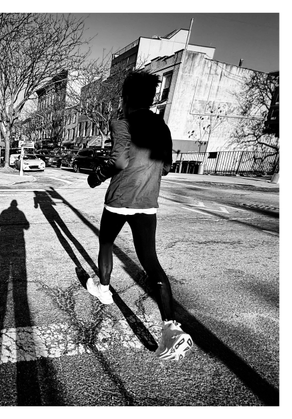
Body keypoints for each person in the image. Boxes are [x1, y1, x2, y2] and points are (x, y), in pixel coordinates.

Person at [86, 70, 193, 361]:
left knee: (106, 243)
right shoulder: (162, 127)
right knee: (151, 261)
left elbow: (118, 160)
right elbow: (168, 168)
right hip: (147, 202)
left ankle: (104, 289)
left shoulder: (121, 122)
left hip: (120, 199)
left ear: (127, 97)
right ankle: (171, 329)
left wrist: (96, 176)